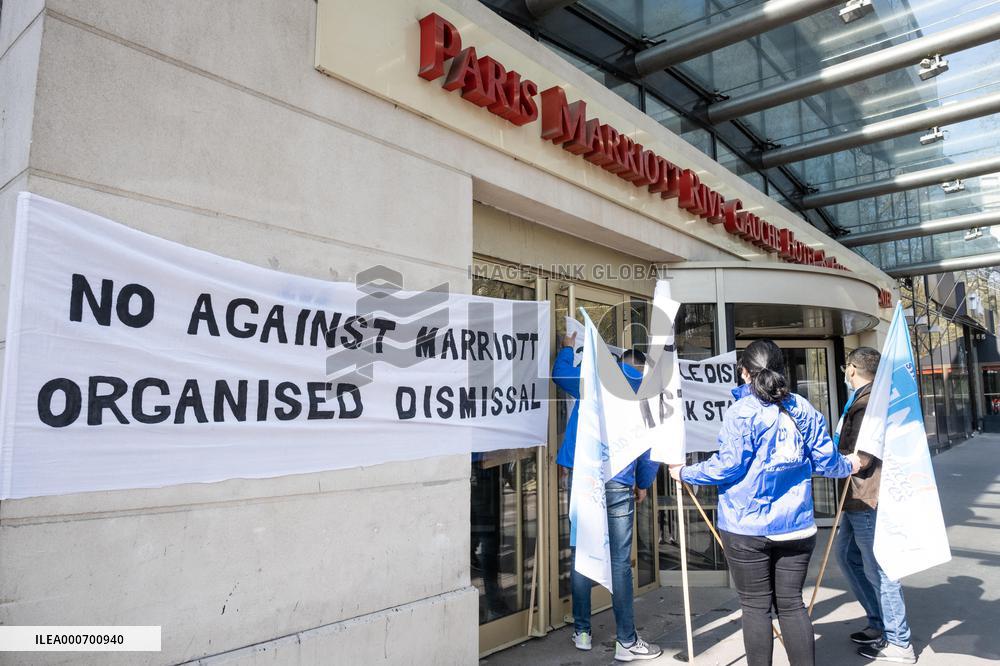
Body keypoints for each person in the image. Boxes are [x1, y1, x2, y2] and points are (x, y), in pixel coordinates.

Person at [669, 339, 861, 666]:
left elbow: (728, 466)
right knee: (792, 605)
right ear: (781, 369)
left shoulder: (741, 412)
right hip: (796, 526)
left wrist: (686, 472)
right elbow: (828, 463)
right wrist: (851, 465)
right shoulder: (803, 408)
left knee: (755, 607)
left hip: (746, 526)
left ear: (744, 373)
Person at [552, 331, 662, 662]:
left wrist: (568, 349)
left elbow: (560, 376)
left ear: (619, 364)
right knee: (619, 563)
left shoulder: (597, 382)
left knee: (583, 553)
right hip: (619, 482)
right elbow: (648, 451)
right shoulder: (646, 397)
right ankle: (626, 641)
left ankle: (583, 632)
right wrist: (642, 483)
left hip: (585, 479)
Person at [835, 347, 916, 664]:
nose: (844, 372)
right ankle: (879, 623)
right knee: (846, 556)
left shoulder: (867, 404)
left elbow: (862, 457)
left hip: (866, 496)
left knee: (880, 569)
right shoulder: (866, 400)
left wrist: (828, 462)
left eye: (845, 367)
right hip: (858, 497)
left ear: (852, 369)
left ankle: (899, 641)